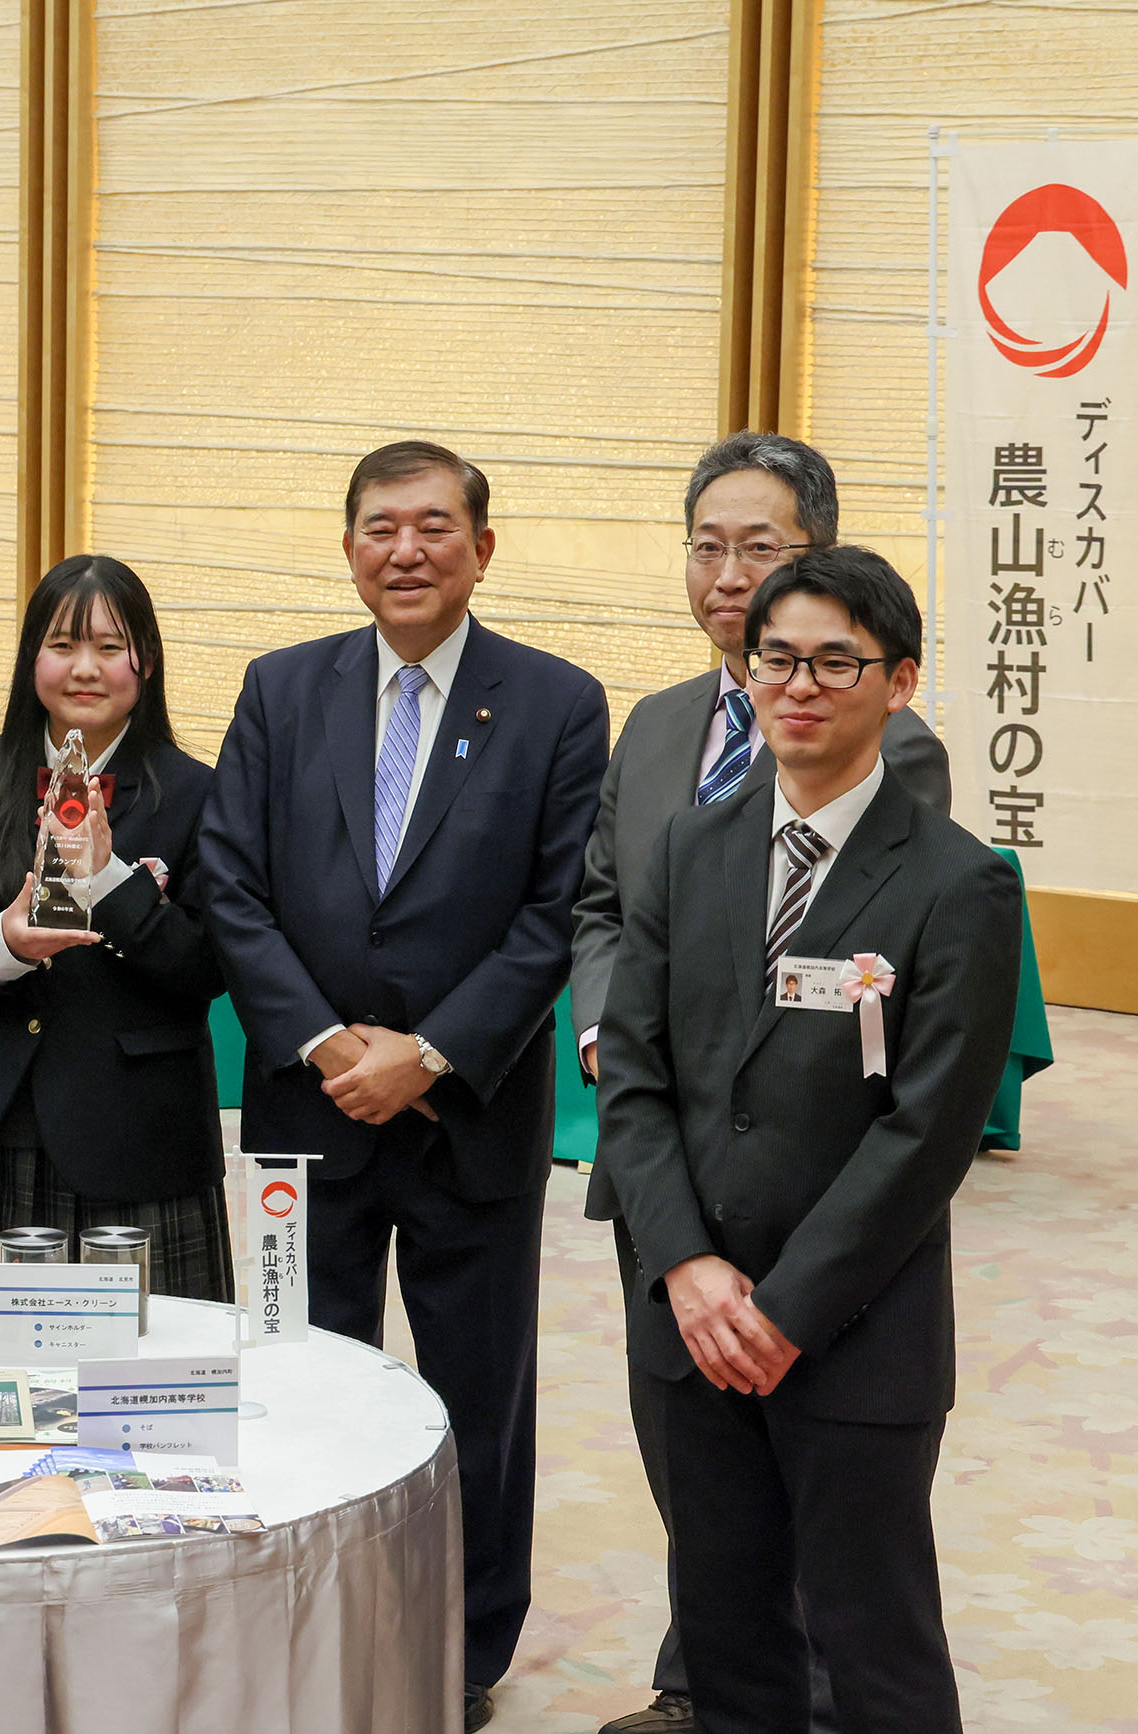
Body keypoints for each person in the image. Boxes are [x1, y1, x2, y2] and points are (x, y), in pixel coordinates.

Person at [196, 440, 608, 1730]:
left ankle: (460, 1651)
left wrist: (422, 1054)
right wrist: (328, 1045)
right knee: (300, 1377)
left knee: (475, 1396)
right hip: (303, 1119)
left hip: (466, 1114)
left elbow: (556, 915)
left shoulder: (554, 702)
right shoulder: (280, 689)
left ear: (482, 548)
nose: (406, 551)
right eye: (380, 527)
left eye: (435, 527)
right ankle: (302, 1621)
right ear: (347, 547)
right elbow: (229, 883)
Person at [567, 431, 952, 1734]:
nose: (729, 575)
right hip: (676, 1214)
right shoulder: (670, 746)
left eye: (763, 548)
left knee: (857, 1586)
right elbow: (608, 921)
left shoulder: (911, 795)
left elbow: (912, 1095)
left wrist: (781, 1299)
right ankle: (705, 1684)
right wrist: (608, 1036)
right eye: (709, 545)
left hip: (827, 1252)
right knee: (711, 1534)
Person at [0, 554, 229, 1299]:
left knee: (142, 1383)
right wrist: (4, 942)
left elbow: (208, 967)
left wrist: (113, 883)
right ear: (29, 661)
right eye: (62, 646)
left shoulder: (199, 792)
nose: (85, 669)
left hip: (139, 1135)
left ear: (146, 661)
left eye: (110, 648)